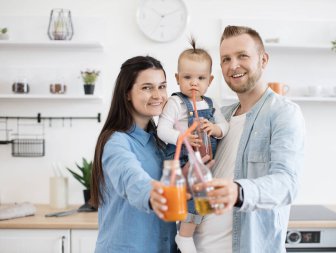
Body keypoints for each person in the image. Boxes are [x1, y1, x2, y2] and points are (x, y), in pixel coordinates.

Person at [152, 25, 305, 253]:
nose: (233, 65)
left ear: (263, 60)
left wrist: (239, 191)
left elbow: (286, 184)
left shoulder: (282, 112)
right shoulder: (219, 116)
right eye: (225, 59)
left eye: (242, 55)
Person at [90, 56, 178, 253]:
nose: (158, 95)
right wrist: (151, 193)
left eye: (162, 86)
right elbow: (130, 177)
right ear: (127, 93)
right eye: (147, 87)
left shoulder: (161, 141)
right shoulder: (116, 142)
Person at [157, 38, 229, 253]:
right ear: (178, 79)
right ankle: (184, 236)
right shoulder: (175, 103)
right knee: (189, 197)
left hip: (203, 161)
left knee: (203, 201)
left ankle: (189, 234)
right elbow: (162, 130)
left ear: (210, 80)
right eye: (187, 77)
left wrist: (214, 129)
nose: (194, 83)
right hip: (181, 161)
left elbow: (224, 126)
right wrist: (183, 138)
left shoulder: (210, 104)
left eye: (200, 78)